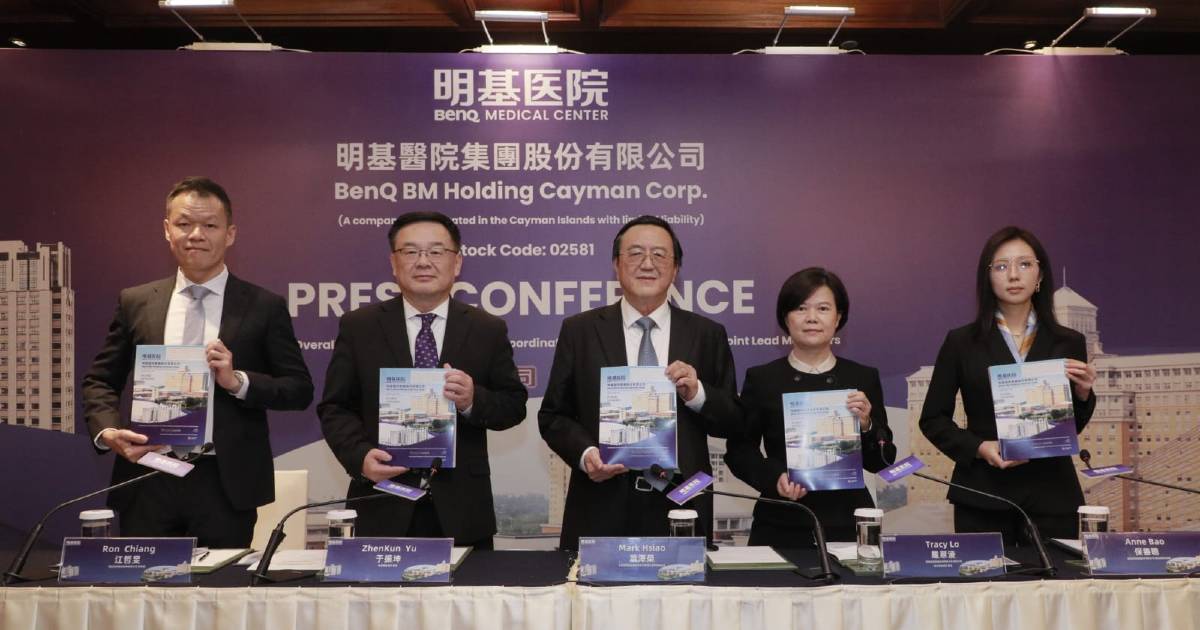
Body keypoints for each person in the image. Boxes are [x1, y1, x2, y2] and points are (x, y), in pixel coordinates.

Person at [82, 176, 314, 548]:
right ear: (167, 230)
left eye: (209, 225)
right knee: (146, 584)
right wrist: (108, 431)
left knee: (221, 585)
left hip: (224, 483)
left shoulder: (264, 306)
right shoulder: (136, 301)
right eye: (184, 224)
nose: (196, 235)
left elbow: (299, 389)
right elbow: (100, 380)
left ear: (230, 234)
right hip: (148, 475)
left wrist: (237, 381)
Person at [318, 211, 527, 549]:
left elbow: (513, 406)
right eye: (411, 252)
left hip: (462, 509)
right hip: (381, 501)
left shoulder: (487, 329)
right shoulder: (360, 327)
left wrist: (472, 400)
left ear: (457, 262)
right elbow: (335, 407)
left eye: (436, 251)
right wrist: (360, 457)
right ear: (393, 262)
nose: (423, 262)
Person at [538, 215, 741, 551]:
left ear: (675, 269)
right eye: (635, 254)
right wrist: (587, 454)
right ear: (616, 265)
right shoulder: (580, 331)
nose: (648, 263)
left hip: (682, 503)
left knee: (681, 587)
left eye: (659, 255)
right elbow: (553, 416)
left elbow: (733, 420)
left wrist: (697, 394)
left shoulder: (706, 334)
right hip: (600, 501)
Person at [919, 226, 1097, 545]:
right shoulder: (961, 342)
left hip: (1052, 496)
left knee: (1054, 579)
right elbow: (933, 419)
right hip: (983, 495)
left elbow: (1070, 429)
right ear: (987, 277)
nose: (1013, 275)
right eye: (1001, 266)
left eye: (1025, 264)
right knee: (984, 578)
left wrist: (1083, 395)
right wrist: (979, 447)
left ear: (1040, 275)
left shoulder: (1068, 341)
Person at [724, 267, 895, 545]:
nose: (812, 318)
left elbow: (882, 461)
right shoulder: (763, 379)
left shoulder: (862, 377)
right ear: (786, 318)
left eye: (823, 308)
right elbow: (739, 451)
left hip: (847, 521)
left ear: (838, 318)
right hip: (782, 519)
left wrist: (867, 425)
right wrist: (774, 478)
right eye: (801, 308)